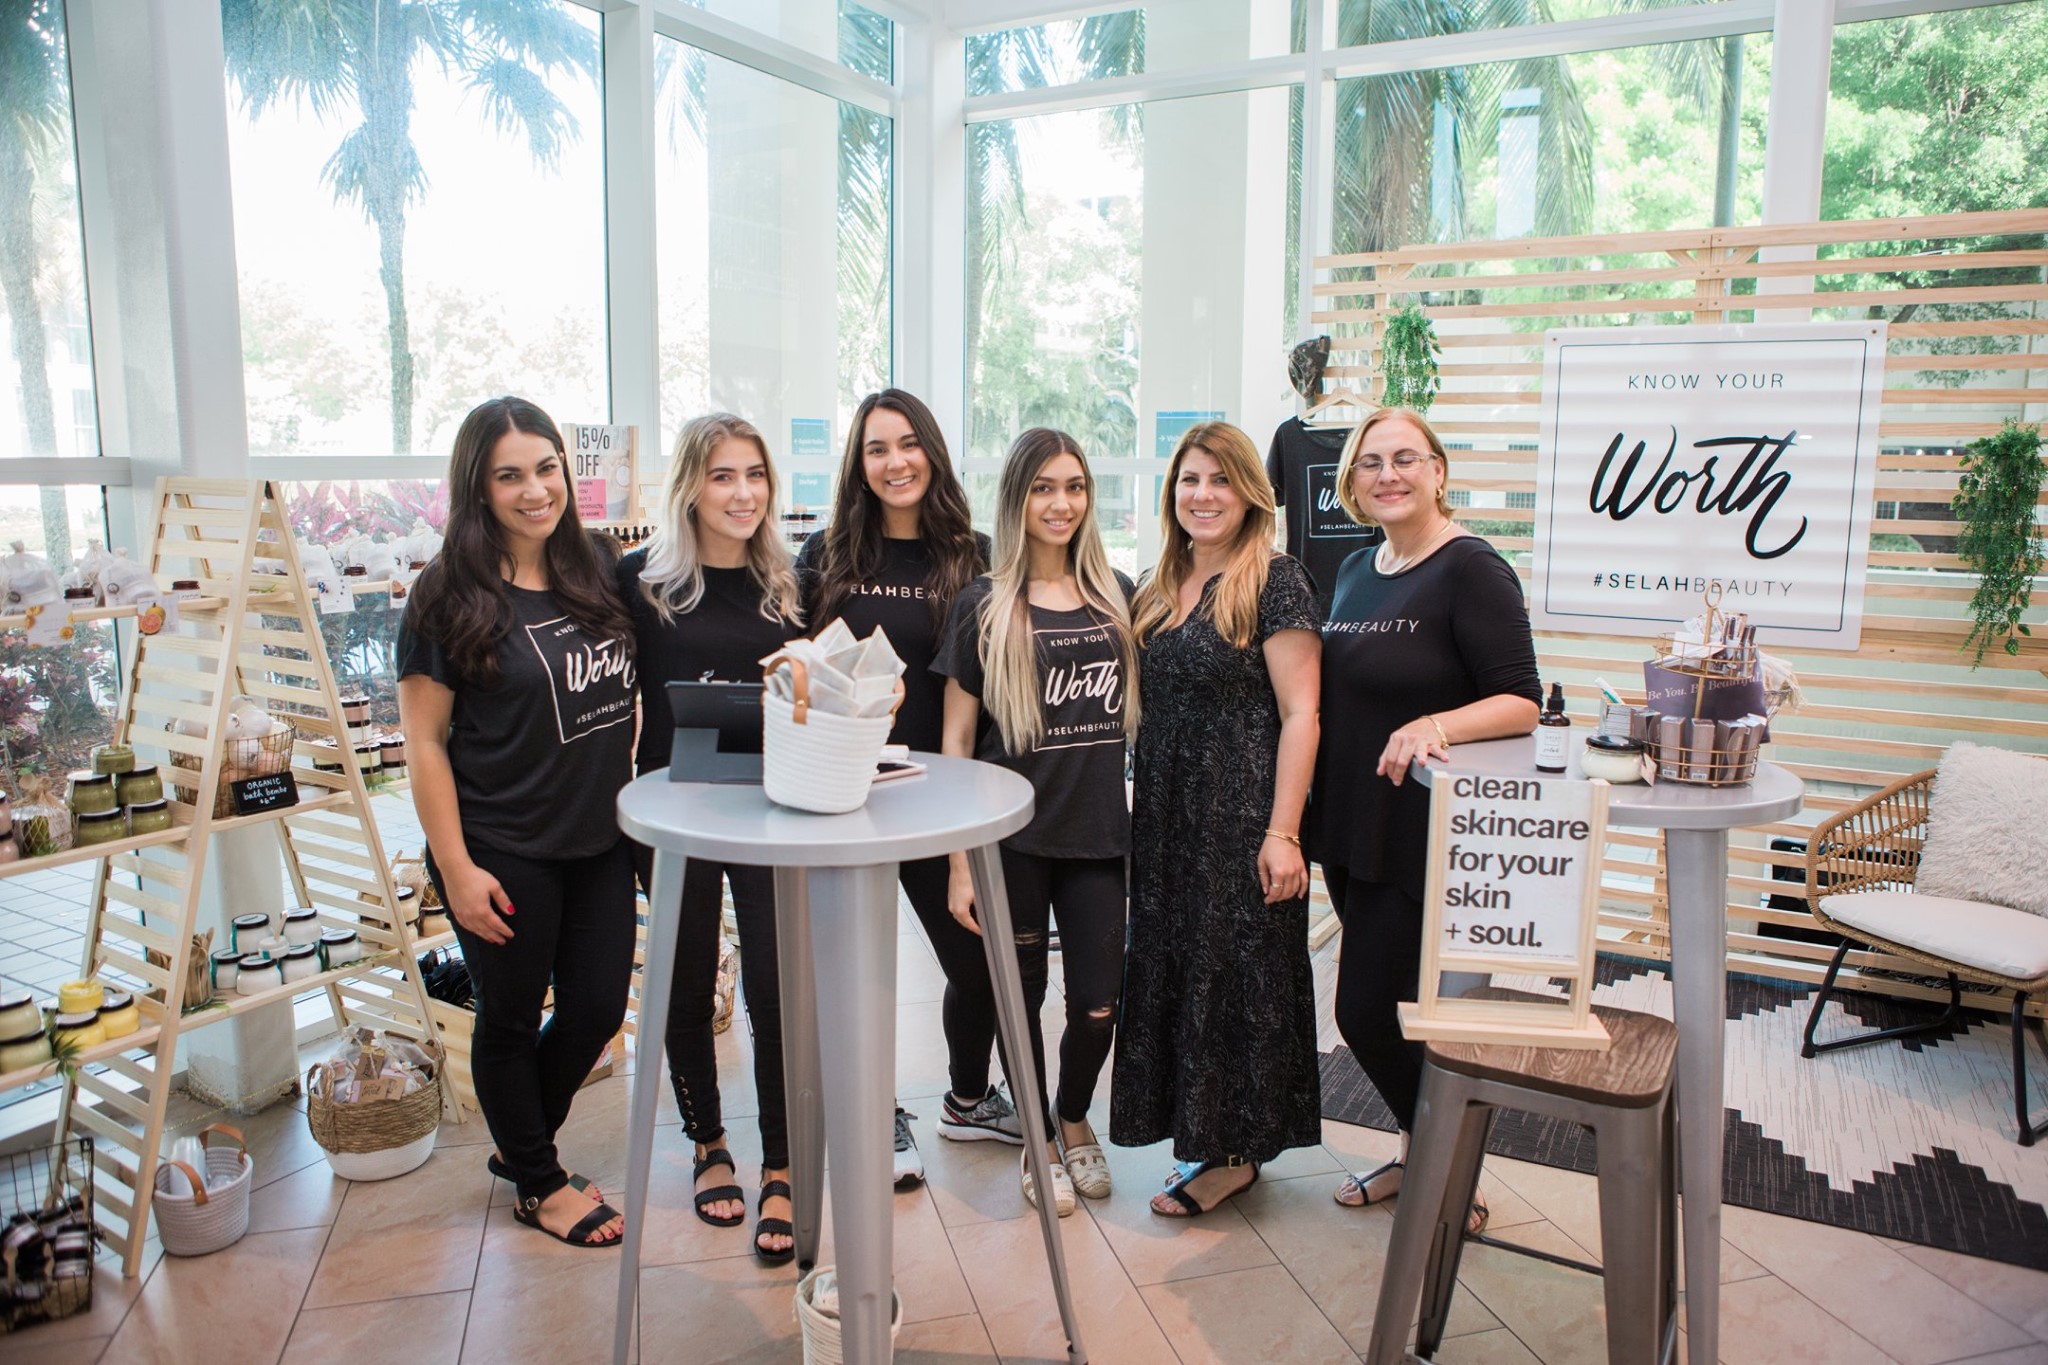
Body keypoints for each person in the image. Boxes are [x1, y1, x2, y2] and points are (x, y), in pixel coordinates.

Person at [398, 396, 635, 1248]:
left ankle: (520, 1143)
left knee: (597, 1009)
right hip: (503, 845)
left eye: (546, 468)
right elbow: (424, 743)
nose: (536, 490)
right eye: (510, 475)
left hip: (597, 836)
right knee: (508, 1017)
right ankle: (538, 1179)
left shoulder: (597, 565)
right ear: (478, 486)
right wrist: (456, 868)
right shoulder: (446, 595)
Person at [1305, 406, 1541, 1233]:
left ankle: (1446, 1166)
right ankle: (1420, 1154)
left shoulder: (1471, 567)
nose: (1388, 475)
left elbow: (1522, 700)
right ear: (1353, 481)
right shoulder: (1356, 567)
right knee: (1398, 1010)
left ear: (1438, 469)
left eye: (1405, 458)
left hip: (1421, 829)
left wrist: (1436, 723)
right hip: (1352, 821)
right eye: (1371, 462)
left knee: (1366, 1011)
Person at [795, 388, 1012, 1184]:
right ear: (859, 464)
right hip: (842, 796)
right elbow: (796, 667)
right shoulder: (826, 556)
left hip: (937, 796)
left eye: (909, 443)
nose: (896, 462)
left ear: (933, 452)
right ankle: (873, 1112)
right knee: (857, 974)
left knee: (980, 962)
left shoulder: (974, 555)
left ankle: (967, 1098)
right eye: (877, 448)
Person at [1109, 420, 1323, 1217]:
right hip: (1166, 821)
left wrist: (1284, 832)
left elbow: (1302, 714)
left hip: (1241, 817)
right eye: (1190, 479)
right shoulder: (1156, 583)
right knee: (1179, 971)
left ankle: (1235, 1154)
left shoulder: (1276, 579)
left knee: (1235, 977)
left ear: (1250, 492)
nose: (1203, 495)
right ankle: (1201, 1134)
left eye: (1221, 479)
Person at [933, 428, 1138, 1217]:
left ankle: (1073, 1113)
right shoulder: (982, 604)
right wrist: (959, 863)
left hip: (1098, 837)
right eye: (1044, 488)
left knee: (1098, 1004)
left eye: (1075, 486)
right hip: (1010, 842)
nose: (1061, 503)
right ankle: (1039, 1140)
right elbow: (956, 744)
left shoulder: (1117, 593)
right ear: (1017, 499)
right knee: (1017, 1003)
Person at [617, 413, 804, 1264]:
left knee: (775, 987)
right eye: (723, 475)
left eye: (755, 474)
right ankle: (708, 1144)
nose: (742, 492)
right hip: (676, 809)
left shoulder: (791, 583)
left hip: (773, 807)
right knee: (686, 980)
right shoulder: (641, 583)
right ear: (690, 485)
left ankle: (783, 1160)